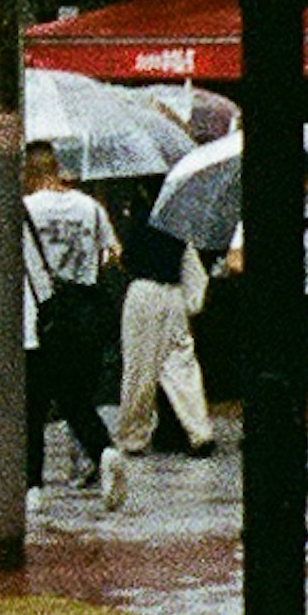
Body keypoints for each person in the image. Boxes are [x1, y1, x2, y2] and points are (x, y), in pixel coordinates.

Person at [21, 151, 115, 499]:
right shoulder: (92, 208)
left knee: (33, 407)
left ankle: (32, 485)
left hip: (42, 321)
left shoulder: (26, 209)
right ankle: (105, 451)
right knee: (77, 401)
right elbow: (111, 252)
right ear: (57, 170)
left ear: (29, 173)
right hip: (84, 319)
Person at [110, 187, 219, 475]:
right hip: (173, 295)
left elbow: (127, 260)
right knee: (180, 363)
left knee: (140, 366)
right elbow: (191, 266)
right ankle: (200, 431)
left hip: (143, 292)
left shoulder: (138, 219)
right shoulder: (179, 223)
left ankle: (133, 434)